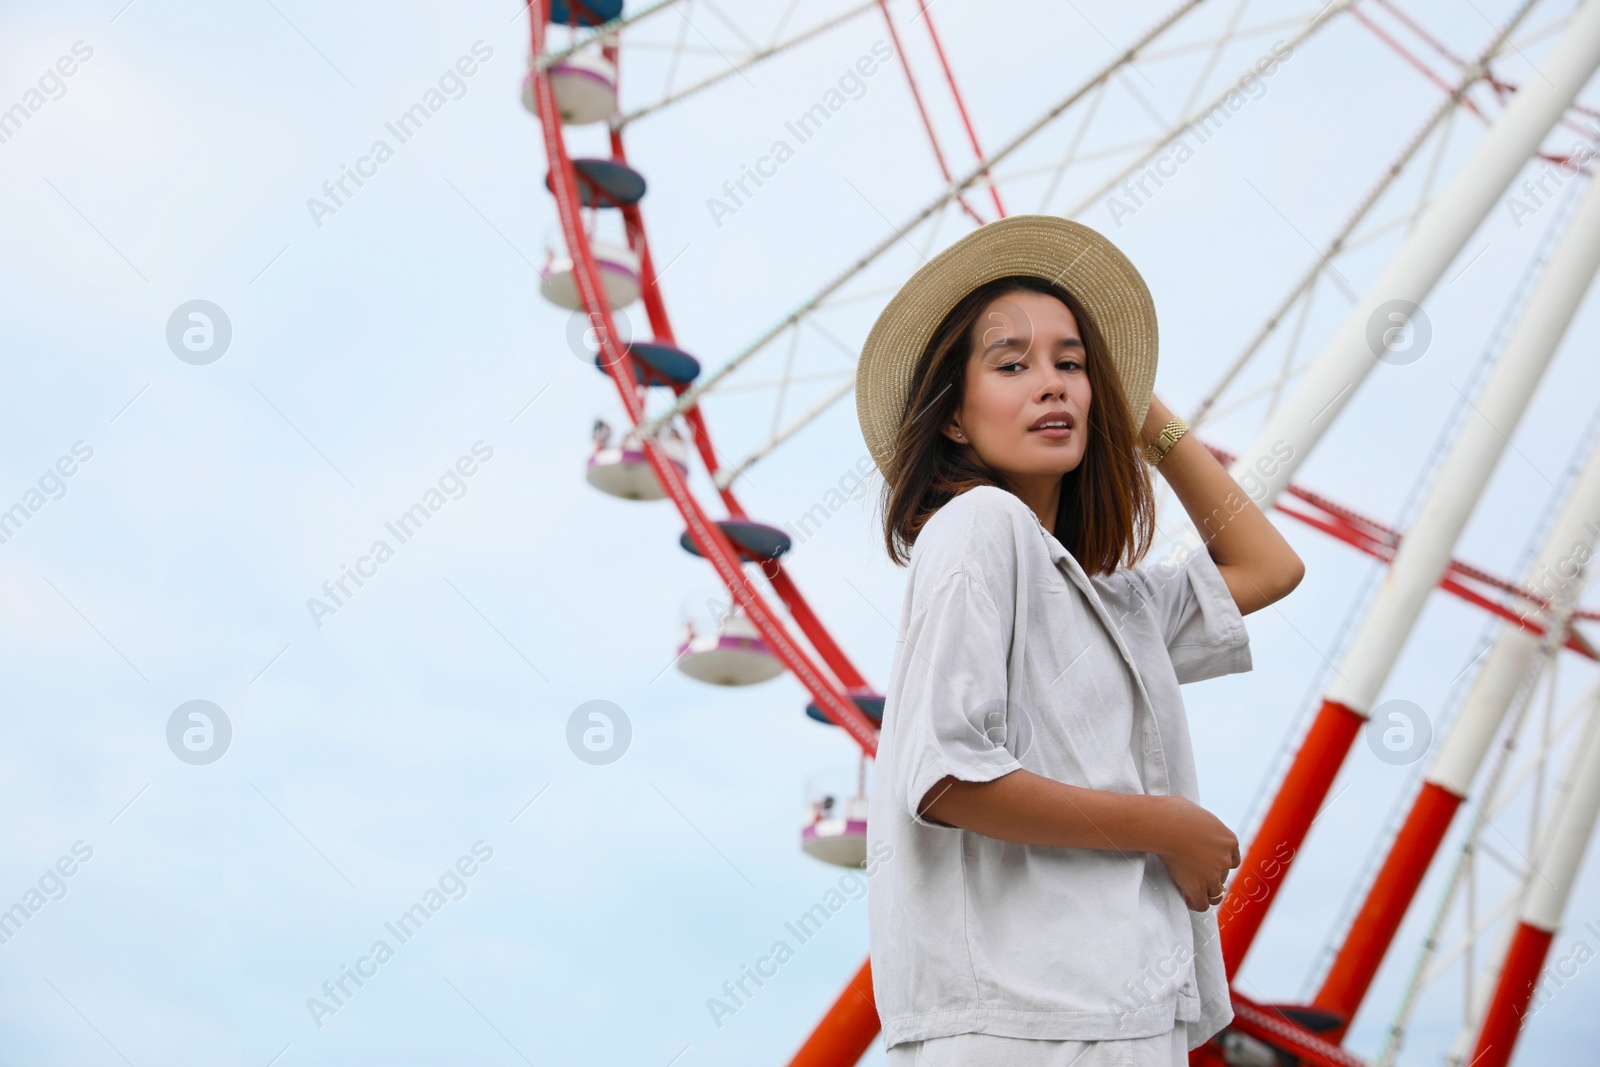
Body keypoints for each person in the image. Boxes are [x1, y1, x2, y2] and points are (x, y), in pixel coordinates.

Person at [856, 215, 1304, 1066]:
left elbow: (1269, 567)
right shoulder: (979, 524)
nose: (1052, 384)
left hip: (1116, 1018)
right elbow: (946, 773)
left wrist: (1143, 413)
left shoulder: (1114, 606)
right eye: (1012, 363)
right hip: (1025, 1025)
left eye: (1072, 364)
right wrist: (1164, 824)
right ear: (953, 417)